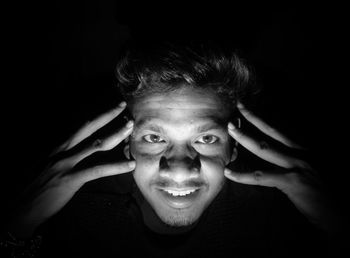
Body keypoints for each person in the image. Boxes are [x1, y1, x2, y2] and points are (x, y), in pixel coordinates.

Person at [1, 40, 346, 257]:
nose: (180, 169)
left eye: (206, 139)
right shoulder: (72, 213)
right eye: (154, 138)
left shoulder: (278, 224)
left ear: (235, 149)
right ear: (126, 145)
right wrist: (19, 225)